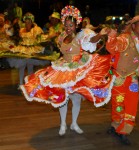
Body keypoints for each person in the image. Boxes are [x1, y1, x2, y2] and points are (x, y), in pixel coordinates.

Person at [20, 5, 114, 136]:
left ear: (76, 25)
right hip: (63, 68)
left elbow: (92, 40)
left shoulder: (82, 35)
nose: (68, 28)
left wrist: (100, 34)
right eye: (66, 25)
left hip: (76, 69)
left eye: (71, 25)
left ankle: (74, 123)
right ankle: (63, 124)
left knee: (75, 99)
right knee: (62, 98)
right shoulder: (62, 35)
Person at [96, 15, 139, 145]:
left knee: (132, 105)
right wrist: (112, 36)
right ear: (133, 26)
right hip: (119, 78)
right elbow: (112, 47)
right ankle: (116, 125)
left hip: (132, 81)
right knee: (118, 105)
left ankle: (124, 130)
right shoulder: (124, 38)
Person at [7, 12, 49, 86]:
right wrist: (13, 24)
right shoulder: (22, 29)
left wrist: (49, 37)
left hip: (32, 50)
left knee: (30, 66)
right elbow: (10, 33)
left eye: (29, 22)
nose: (27, 24)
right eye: (26, 22)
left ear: (32, 22)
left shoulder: (36, 29)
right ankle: (20, 83)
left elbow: (41, 38)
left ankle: (30, 83)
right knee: (22, 66)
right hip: (23, 49)